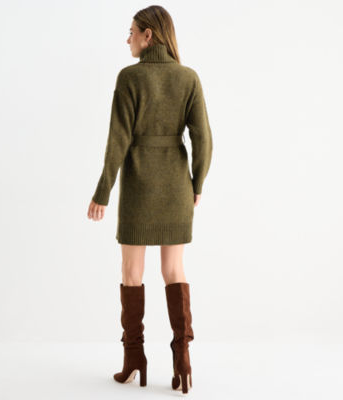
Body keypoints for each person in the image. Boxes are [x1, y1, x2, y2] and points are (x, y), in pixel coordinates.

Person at [87, 5, 213, 394]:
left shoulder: (129, 78)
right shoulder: (188, 78)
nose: (127, 39)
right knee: (174, 270)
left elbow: (118, 140)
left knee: (131, 273)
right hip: (176, 188)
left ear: (149, 35)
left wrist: (103, 190)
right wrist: (196, 183)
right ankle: (182, 360)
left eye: (132, 32)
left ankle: (133, 359)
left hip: (139, 186)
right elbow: (204, 139)